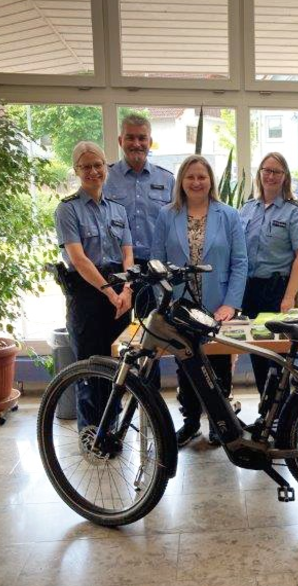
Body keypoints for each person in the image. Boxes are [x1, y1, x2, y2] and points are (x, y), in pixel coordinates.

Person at [152, 155, 248, 448]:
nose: (196, 182)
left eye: (202, 177)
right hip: (180, 307)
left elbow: (240, 262)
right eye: (190, 176)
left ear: (210, 181)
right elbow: (157, 263)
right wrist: (164, 303)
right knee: (186, 366)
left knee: (218, 366)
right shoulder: (167, 215)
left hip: (217, 305)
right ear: (181, 180)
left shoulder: (228, 215)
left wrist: (230, 304)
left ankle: (220, 424)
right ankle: (190, 421)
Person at [54, 142, 133, 443]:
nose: (93, 171)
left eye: (97, 164)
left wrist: (126, 289)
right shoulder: (68, 210)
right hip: (87, 294)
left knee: (117, 367)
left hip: (119, 291)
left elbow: (128, 255)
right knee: (89, 368)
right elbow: (79, 259)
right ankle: (91, 435)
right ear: (76, 171)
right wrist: (110, 294)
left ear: (106, 167)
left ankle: (112, 430)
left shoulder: (118, 210)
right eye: (85, 166)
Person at [104, 113, 175, 387]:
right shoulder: (106, 176)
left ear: (150, 142)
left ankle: (150, 400)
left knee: (149, 340)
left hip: (152, 270)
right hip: (118, 271)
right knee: (115, 338)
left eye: (142, 138)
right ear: (121, 140)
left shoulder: (166, 180)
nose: (136, 143)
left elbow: (174, 226)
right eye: (130, 138)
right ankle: (114, 409)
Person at [239, 152, 298, 397]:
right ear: (259, 174)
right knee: (257, 350)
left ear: (285, 177)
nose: (270, 176)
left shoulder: (295, 211)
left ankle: (279, 412)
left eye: (276, 172)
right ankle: (264, 408)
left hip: (278, 289)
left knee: (278, 353)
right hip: (250, 290)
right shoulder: (247, 209)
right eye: (266, 170)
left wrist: (289, 297)